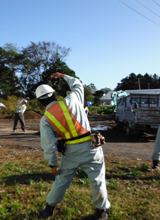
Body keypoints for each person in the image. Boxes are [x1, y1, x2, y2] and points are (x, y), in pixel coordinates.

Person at [35, 72, 110, 220]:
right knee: (97, 179)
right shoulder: (73, 99)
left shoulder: (45, 119)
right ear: (54, 94)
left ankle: (48, 210)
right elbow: (77, 84)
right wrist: (63, 76)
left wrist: (52, 164)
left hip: (70, 153)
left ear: (40, 102)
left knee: (61, 180)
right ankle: (101, 212)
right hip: (91, 148)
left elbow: (48, 144)